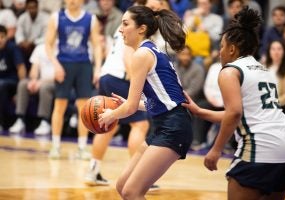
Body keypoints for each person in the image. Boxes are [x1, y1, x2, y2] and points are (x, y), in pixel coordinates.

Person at [183, 7, 285, 200]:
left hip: (262, 148)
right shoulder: (263, 69)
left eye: (221, 46)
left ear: (232, 49)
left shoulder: (230, 71)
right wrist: (200, 112)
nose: (219, 52)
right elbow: (247, 113)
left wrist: (216, 150)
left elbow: (234, 113)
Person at [98, 5, 192, 199]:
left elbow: (130, 108)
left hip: (173, 126)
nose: (120, 29)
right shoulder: (150, 50)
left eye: (125, 24)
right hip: (165, 123)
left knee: (132, 192)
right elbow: (160, 100)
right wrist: (131, 104)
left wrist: (112, 115)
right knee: (123, 186)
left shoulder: (141, 55)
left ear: (141, 28)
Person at [84, 27, 150, 186]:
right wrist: (137, 81)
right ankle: (138, 176)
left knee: (107, 125)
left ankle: (93, 170)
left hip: (107, 75)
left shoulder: (125, 23)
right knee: (140, 124)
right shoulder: (137, 24)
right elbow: (128, 54)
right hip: (121, 77)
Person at [45, 0, 102, 160]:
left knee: (83, 107)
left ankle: (82, 147)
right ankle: (55, 145)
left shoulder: (91, 19)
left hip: (83, 65)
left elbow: (97, 45)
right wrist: (56, 65)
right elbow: (48, 45)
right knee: (60, 104)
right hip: (63, 63)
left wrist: (97, 68)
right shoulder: (57, 17)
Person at [8, 43, 55, 135]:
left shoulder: (63, 49)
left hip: (56, 83)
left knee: (45, 88)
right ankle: (20, 119)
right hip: (39, 81)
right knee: (23, 84)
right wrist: (33, 80)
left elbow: (61, 75)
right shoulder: (40, 48)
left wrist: (41, 82)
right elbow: (34, 68)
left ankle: (44, 122)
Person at [0, 25, 26, 131]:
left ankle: (1, 122)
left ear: (7, 37)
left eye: (2, 37)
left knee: (1, 85)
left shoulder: (12, 48)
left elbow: (21, 68)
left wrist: (19, 91)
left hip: (12, 82)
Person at [265, 40, 285, 120]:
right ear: (269, 52)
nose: (276, 52)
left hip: (282, 109)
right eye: (273, 49)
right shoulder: (263, 68)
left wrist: (273, 104)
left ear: (284, 52)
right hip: (264, 107)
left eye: (279, 49)